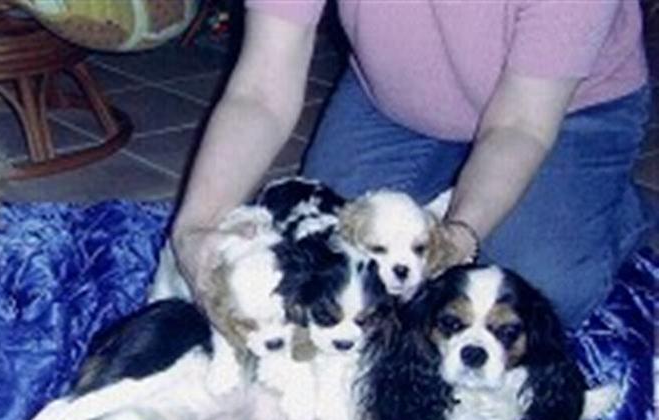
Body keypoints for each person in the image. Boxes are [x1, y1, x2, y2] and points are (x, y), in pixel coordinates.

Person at [172, 1, 651, 329]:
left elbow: (519, 126)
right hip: (396, 105)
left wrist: (458, 235)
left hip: (564, 113)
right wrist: (195, 227)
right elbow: (260, 90)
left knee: (535, 290)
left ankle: (611, 208)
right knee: (329, 259)